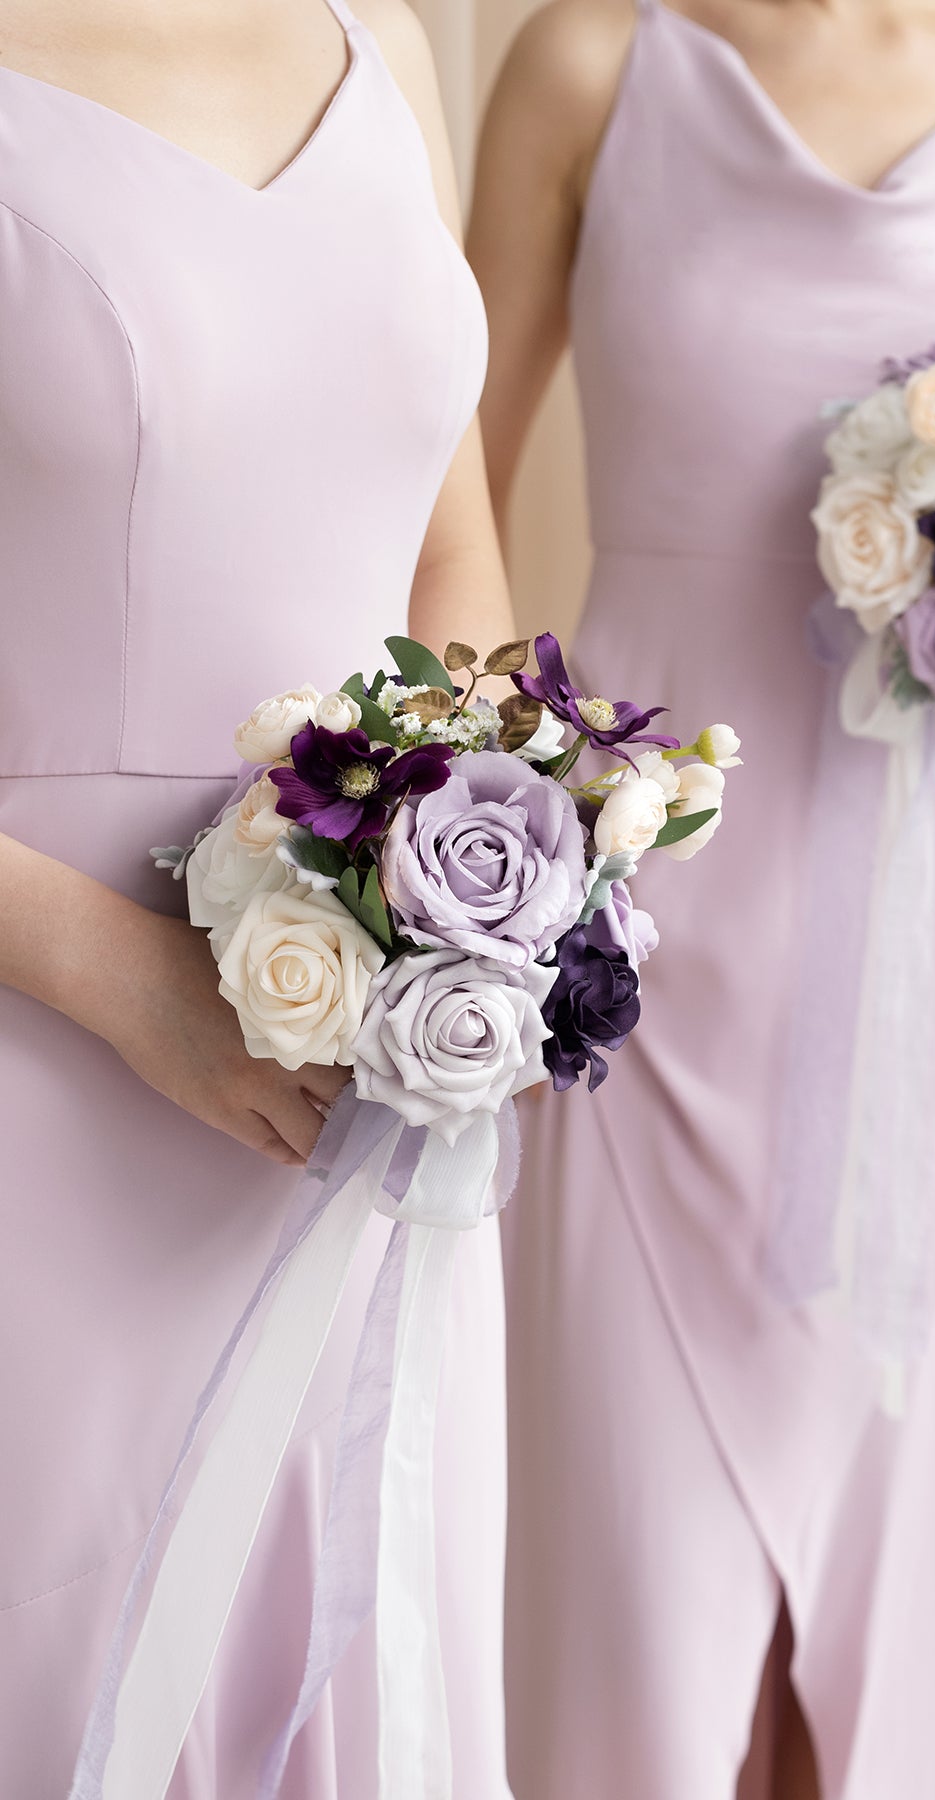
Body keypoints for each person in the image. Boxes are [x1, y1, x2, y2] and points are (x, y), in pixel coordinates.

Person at [468, 2, 935, 1795]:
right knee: (639, 1601)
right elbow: (439, 501)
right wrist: (501, 857)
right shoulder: (593, 66)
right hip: (643, 961)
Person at [0, 1, 516, 1792]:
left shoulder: (379, 43)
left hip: (369, 1070)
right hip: (45, 1069)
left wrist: (503, 881)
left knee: (357, 1657)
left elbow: (449, 552)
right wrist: (116, 975)